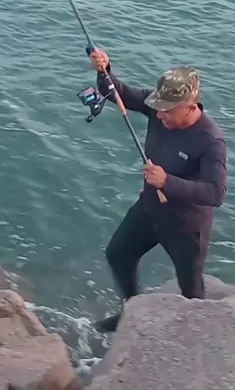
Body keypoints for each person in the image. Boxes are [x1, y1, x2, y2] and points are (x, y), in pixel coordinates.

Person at [90, 49, 227, 332]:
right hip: (150, 210)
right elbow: (118, 92)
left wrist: (167, 182)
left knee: (191, 290)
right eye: (158, 107)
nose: (159, 114)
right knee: (118, 254)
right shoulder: (158, 107)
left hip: (185, 226)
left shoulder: (209, 140)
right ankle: (131, 311)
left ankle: (193, 337)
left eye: (168, 110)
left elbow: (216, 193)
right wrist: (105, 69)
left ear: (190, 107)